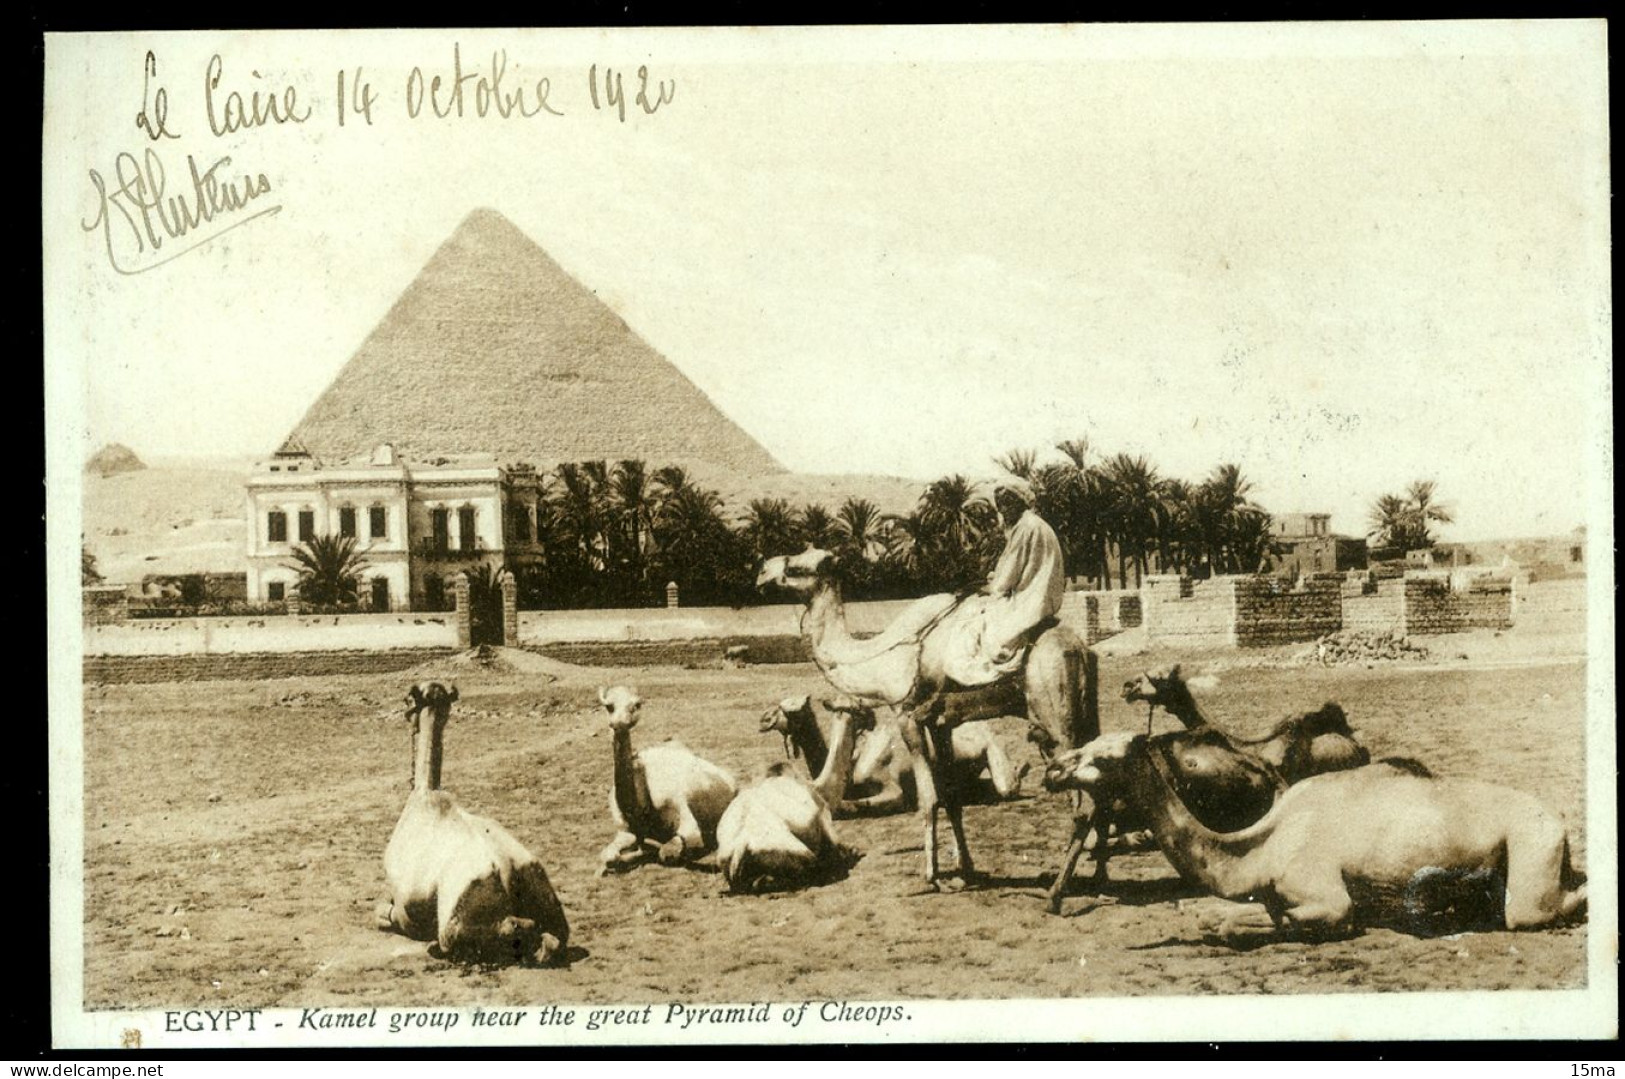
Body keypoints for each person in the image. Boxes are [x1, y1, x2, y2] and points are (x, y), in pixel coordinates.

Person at [941, 480, 1067, 687]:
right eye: (1000, 506)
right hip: (1041, 596)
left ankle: (979, 677)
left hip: (1029, 600)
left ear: (1019, 503)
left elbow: (1010, 572)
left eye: (1007, 505)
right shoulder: (1037, 525)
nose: (1003, 510)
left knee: (972, 618)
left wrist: (992, 586)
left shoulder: (1025, 528)